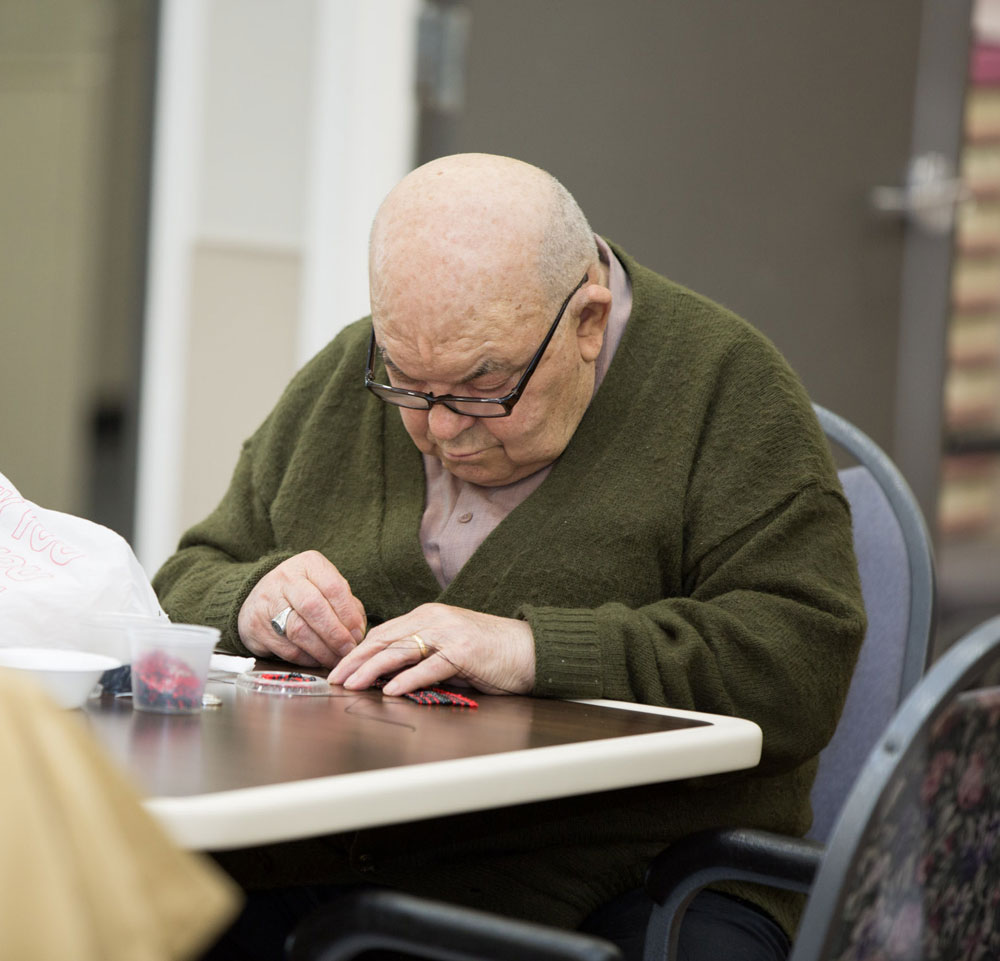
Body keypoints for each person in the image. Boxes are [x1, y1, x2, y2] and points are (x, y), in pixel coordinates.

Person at [153, 153, 866, 961]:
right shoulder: (351, 377)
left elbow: (796, 659)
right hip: (342, 849)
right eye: (409, 387)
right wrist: (253, 600)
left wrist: (528, 648)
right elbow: (185, 579)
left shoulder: (726, 388)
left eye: (482, 388)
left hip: (633, 872)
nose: (443, 428)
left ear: (587, 323)